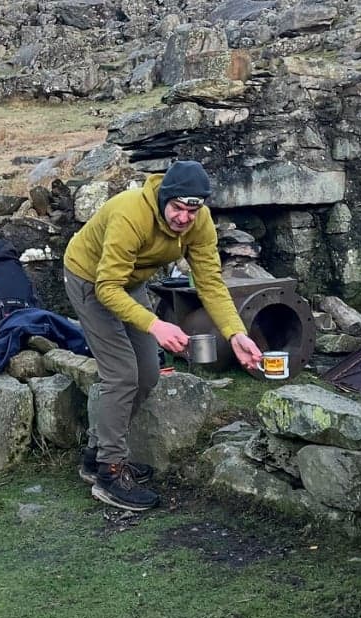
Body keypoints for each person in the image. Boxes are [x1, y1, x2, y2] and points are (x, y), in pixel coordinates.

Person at [62, 160, 263, 511]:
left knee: (148, 375)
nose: (184, 218)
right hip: (90, 280)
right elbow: (108, 287)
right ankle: (109, 473)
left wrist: (235, 334)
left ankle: (95, 455)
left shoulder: (200, 224)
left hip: (131, 283)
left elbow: (211, 283)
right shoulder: (130, 214)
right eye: (177, 208)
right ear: (163, 199)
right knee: (122, 375)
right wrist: (155, 325)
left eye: (192, 209)